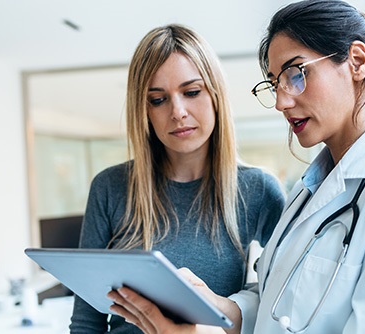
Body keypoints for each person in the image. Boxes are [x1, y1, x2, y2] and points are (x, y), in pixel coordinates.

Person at [106, 1, 365, 333]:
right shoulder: (308, 193)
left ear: (357, 62)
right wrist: (217, 306)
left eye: (296, 73)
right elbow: (274, 304)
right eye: (275, 82)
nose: (280, 101)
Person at [69, 24, 286, 333]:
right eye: (158, 99)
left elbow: (288, 299)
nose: (178, 112)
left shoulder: (257, 190)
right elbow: (86, 321)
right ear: (143, 110)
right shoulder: (110, 188)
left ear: (215, 95)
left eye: (192, 92)